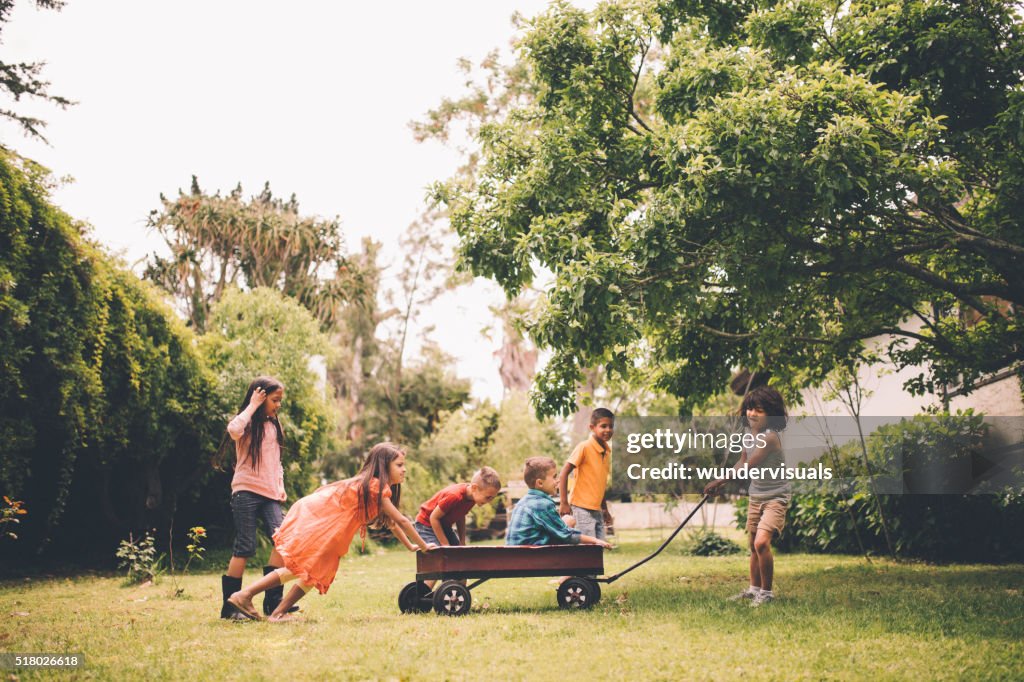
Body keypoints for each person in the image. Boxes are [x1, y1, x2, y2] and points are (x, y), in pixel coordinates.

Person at [226, 442, 433, 621]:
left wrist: (411, 546)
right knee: (300, 569)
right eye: (399, 465)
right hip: (321, 523)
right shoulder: (375, 486)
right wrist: (423, 547)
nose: (404, 470)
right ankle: (244, 595)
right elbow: (402, 520)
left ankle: (277, 614)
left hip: (329, 527)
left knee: (313, 573)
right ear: (384, 466)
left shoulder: (374, 486)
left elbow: (393, 524)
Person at [214, 376, 294, 620]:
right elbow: (233, 429)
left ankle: (274, 601)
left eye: (279, 400)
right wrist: (253, 405)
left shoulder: (274, 425)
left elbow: (275, 463)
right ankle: (230, 607)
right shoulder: (247, 423)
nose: (278, 405)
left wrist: (280, 487)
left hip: (270, 494)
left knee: (283, 541)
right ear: (260, 397)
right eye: (274, 400)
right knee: (245, 546)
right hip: (246, 490)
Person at [704, 386, 790, 607]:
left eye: (758, 410)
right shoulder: (748, 435)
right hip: (756, 496)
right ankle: (754, 590)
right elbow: (742, 461)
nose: (752, 414)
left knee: (762, 543)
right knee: (753, 545)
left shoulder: (770, 438)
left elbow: (750, 466)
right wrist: (721, 481)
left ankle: (767, 593)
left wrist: (719, 481)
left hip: (775, 498)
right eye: (750, 409)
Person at [507, 457, 611, 548]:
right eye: (554, 477)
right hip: (531, 559)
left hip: (517, 557)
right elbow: (566, 535)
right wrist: (595, 540)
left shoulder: (523, 501)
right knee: (569, 521)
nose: (557, 481)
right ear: (540, 483)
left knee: (566, 522)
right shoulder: (542, 504)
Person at [558, 407, 614, 542]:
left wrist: (605, 509)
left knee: (599, 546)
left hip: (597, 510)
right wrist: (564, 502)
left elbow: (600, 484)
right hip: (581, 508)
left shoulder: (606, 452)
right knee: (587, 549)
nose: (608, 430)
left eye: (611, 426)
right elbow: (563, 473)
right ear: (592, 427)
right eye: (603, 426)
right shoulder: (584, 447)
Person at [415, 467, 502, 547]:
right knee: (440, 554)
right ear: (474, 488)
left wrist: (462, 541)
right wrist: (445, 544)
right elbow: (433, 518)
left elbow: (460, 516)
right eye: (488, 497)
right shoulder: (455, 496)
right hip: (426, 525)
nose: (489, 501)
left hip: (444, 526)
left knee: (459, 552)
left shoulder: (472, 497)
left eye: (492, 498)